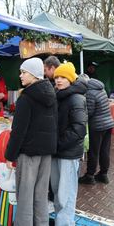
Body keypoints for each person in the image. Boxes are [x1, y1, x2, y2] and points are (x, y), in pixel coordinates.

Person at [4, 57, 58, 226]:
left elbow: (18, 132)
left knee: (25, 195)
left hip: (29, 153)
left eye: (23, 72)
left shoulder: (26, 98)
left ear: (34, 74)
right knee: (41, 193)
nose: (20, 76)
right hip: (46, 152)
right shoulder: (51, 93)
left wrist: (9, 155)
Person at [51, 62, 88, 226]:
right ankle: (62, 222)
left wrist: (57, 144)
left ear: (71, 79)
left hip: (67, 152)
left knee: (66, 194)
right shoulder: (58, 95)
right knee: (58, 192)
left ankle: (65, 223)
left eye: (63, 77)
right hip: (56, 151)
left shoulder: (76, 99)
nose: (58, 80)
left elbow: (79, 130)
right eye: (57, 77)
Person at [79, 77, 114, 184]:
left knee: (93, 151)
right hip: (108, 124)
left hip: (97, 126)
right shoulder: (101, 88)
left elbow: (90, 111)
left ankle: (89, 176)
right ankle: (103, 174)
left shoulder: (89, 93)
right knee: (104, 150)